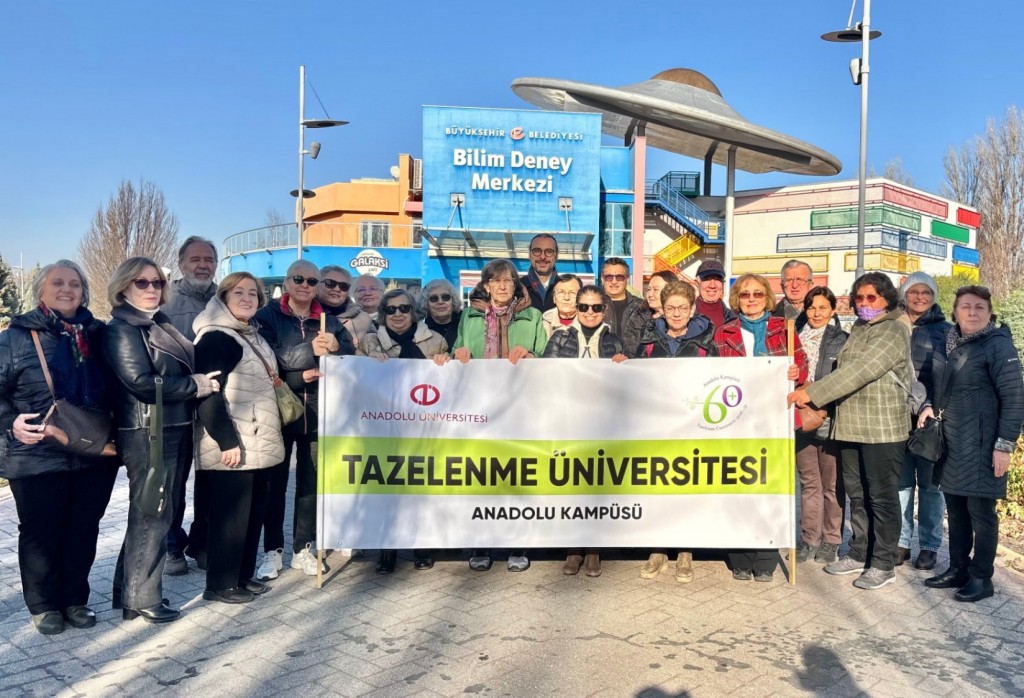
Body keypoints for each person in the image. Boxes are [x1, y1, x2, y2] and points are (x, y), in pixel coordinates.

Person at [0, 260, 118, 635]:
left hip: (92, 451)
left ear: (84, 291)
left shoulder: (98, 334)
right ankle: (44, 605)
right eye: (58, 283)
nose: (67, 289)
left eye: (75, 284)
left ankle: (75, 600)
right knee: (41, 532)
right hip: (36, 452)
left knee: (83, 529)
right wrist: (9, 424)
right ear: (41, 290)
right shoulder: (15, 338)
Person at [105, 257, 221, 623]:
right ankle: (143, 597)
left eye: (156, 282)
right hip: (147, 431)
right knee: (152, 514)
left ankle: (128, 592)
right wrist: (194, 385)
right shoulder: (122, 328)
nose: (152, 288)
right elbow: (140, 383)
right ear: (123, 287)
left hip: (171, 427)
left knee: (154, 511)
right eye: (141, 283)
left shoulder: (158, 323)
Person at [788, 272, 912, 591]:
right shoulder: (859, 327)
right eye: (859, 298)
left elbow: (860, 371)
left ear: (887, 298)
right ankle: (859, 552)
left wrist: (811, 393)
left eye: (872, 297)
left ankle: (883, 563)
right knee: (857, 494)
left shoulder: (893, 330)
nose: (865, 303)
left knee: (881, 497)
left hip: (882, 428)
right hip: (851, 426)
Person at [920, 286, 1024, 602]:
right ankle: (958, 569)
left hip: (983, 445)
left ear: (990, 313)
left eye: (980, 307)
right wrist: (930, 406)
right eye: (966, 306)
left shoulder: (998, 345)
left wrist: (1004, 446)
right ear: (955, 311)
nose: (972, 312)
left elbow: (1014, 398)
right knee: (956, 510)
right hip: (953, 443)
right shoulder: (950, 342)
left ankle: (982, 578)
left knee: (981, 513)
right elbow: (941, 386)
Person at [254, 260, 355, 579]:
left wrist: (338, 347)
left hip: (319, 413)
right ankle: (272, 550)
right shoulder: (267, 316)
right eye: (299, 278)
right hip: (279, 412)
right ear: (286, 282)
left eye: (312, 281)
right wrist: (307, 355)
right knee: (274, 485)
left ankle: (303, 548)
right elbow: (267, 359)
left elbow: (351, 361)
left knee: (310, 484)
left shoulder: (329, 320)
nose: (305, 285)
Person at [193, 272, 285, 605]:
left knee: (251, 514)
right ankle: (220, 584)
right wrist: (226, 440)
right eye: (238, 292)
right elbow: (207, 393)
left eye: (253, 293)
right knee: (229, 519)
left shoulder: (249, 334)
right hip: (234, 443)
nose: (247, 298)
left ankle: (241, 576)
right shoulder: (217, 337)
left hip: (256, 440)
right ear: (223, 297)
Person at [453, 258, 547, 572]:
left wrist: (531, 356)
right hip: (480, 406)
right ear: (486, 285)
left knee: (517, 477)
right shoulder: (469, 316)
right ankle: (481, 544)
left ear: (515, 285)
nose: (503, 286)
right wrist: (458, 353)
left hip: (520, 405)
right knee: (482, 477)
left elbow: (546, 356)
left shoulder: (532, 316)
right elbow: (458, 349)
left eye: (508, 280)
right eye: (496, 281)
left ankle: (518, 545)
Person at [715, 273, 807, 582]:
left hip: (773, 419)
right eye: (745, 294)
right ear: (737, 299)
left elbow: (802, 365)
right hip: (736, 419)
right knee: (738, 486)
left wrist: (795, 370)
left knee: (769, 485)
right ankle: (740, 555)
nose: (751, 299)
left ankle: (766, 556)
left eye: (757, 294)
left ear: (767, 297)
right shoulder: (724, 332)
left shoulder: (785, 328)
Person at [359, 289, 449, 574]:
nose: (398, 314)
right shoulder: (371, 340)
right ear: (383, 314)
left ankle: (422, 546)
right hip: (386, 426)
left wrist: (445, 361)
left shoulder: (435, 340)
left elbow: (450, 379)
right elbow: (354, 373)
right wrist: (368, 359)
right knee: (389, 489)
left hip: (424, 427)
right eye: (391, 309)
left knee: (422, 488)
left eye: (404, 308)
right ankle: (388, 550)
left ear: (414, 312)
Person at [634, 281, 717, 583]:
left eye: (683, 307)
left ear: (692, 308)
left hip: (691, 427)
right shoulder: (648, 339)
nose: (677, 313)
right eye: (671, 308)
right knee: (657, 487)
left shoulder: (707, 342)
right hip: (656, 427)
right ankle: (657, 550)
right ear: (663, 309)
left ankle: (685, 551)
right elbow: (635, 379)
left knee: (687, 487)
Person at [542, 284, 627, 577]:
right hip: (568, 422)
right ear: (576, 309)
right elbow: (545, 377)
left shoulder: (615, 342)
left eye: (596, 307)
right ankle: (573, 548)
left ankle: (593, 549)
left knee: (597, 487)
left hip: (601, 424)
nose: (590, 312)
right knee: (571, 487)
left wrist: (623, 365)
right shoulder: (559, 338)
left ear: (604, 310)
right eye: (584, 307)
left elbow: (624, 386)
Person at [161, 235, 218, 576]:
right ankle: (172, 546)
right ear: (181, 264)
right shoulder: (165, 302)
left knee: (211, 480)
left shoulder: (225, 298)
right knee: (174, 482)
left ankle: (203, 544)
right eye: (195, 259)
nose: (202, 265)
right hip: (178, 404)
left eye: (208, 259)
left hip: (217, 404)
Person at [897, 272, 950, 570]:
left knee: (931, 486)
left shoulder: (946, 331)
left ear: (933, 297)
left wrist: (933, 406)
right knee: (901, 483)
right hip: (896, 416)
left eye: (926, 292)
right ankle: (902, 541)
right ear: (904, 295)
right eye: (914, 291)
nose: (919, 297)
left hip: (931, 419)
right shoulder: (893, 326)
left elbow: (948, 377)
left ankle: (929, 546)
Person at [794, 287, 848, 564]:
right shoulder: (793, 337)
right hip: (801, 417)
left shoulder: (843, 340)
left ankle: (832, 539)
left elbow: (845, 378)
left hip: (830, 417)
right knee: (809, 482)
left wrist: (821, 399)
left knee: (832, 484)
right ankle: (809, 538)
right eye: (811, 307)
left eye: (823, 308)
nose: (816, 313)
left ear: (832, 310)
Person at [622, 270, 677, 357]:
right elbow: (629, 349)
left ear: (672, 291)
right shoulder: (638, 317)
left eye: (656, 289)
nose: (650, 294)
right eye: (648, 289)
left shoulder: (681, 319)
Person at [318, 265, 373, 347]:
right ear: (317, 284)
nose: (337, 289)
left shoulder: (363, 318)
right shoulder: (303, 314)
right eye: (330, 283)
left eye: (344, 286)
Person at [600, 257, 643, 338]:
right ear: (602, 279)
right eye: (609, 277)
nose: (614, 282)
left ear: (627, 279)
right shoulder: (592, 306)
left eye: (619, 277)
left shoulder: (641, 306)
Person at [419, 278, 463, 349]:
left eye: (445, 297)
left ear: (453, 300)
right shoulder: (420, 331)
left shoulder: (465, 324)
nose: (440, 302)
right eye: (434, 298)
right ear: (426, 303)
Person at [521, 233, 559, 311]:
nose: (542, 257)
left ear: (556, 255)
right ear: (529, 255)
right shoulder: (516, 288)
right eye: (537, 251)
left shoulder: (567, 288)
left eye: (549, 251)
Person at [693, 259, 735, 330]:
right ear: (697, 283)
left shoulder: (733, 317)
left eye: (717, 279)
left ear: (723, 284)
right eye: (707, 279)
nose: (712, 285)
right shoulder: (686, 315)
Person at [541, 273, 582, 338]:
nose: (566, 298)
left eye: (572, 293)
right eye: (561, 292)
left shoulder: (588, 323)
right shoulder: (542, 325)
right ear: (554, 298)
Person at [773, 259, 814, 324]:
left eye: (800, 280)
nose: (794, 285)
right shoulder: (769, 316)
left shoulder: (823, 314)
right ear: (782, 286)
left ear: (810, 285)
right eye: (789, 280)